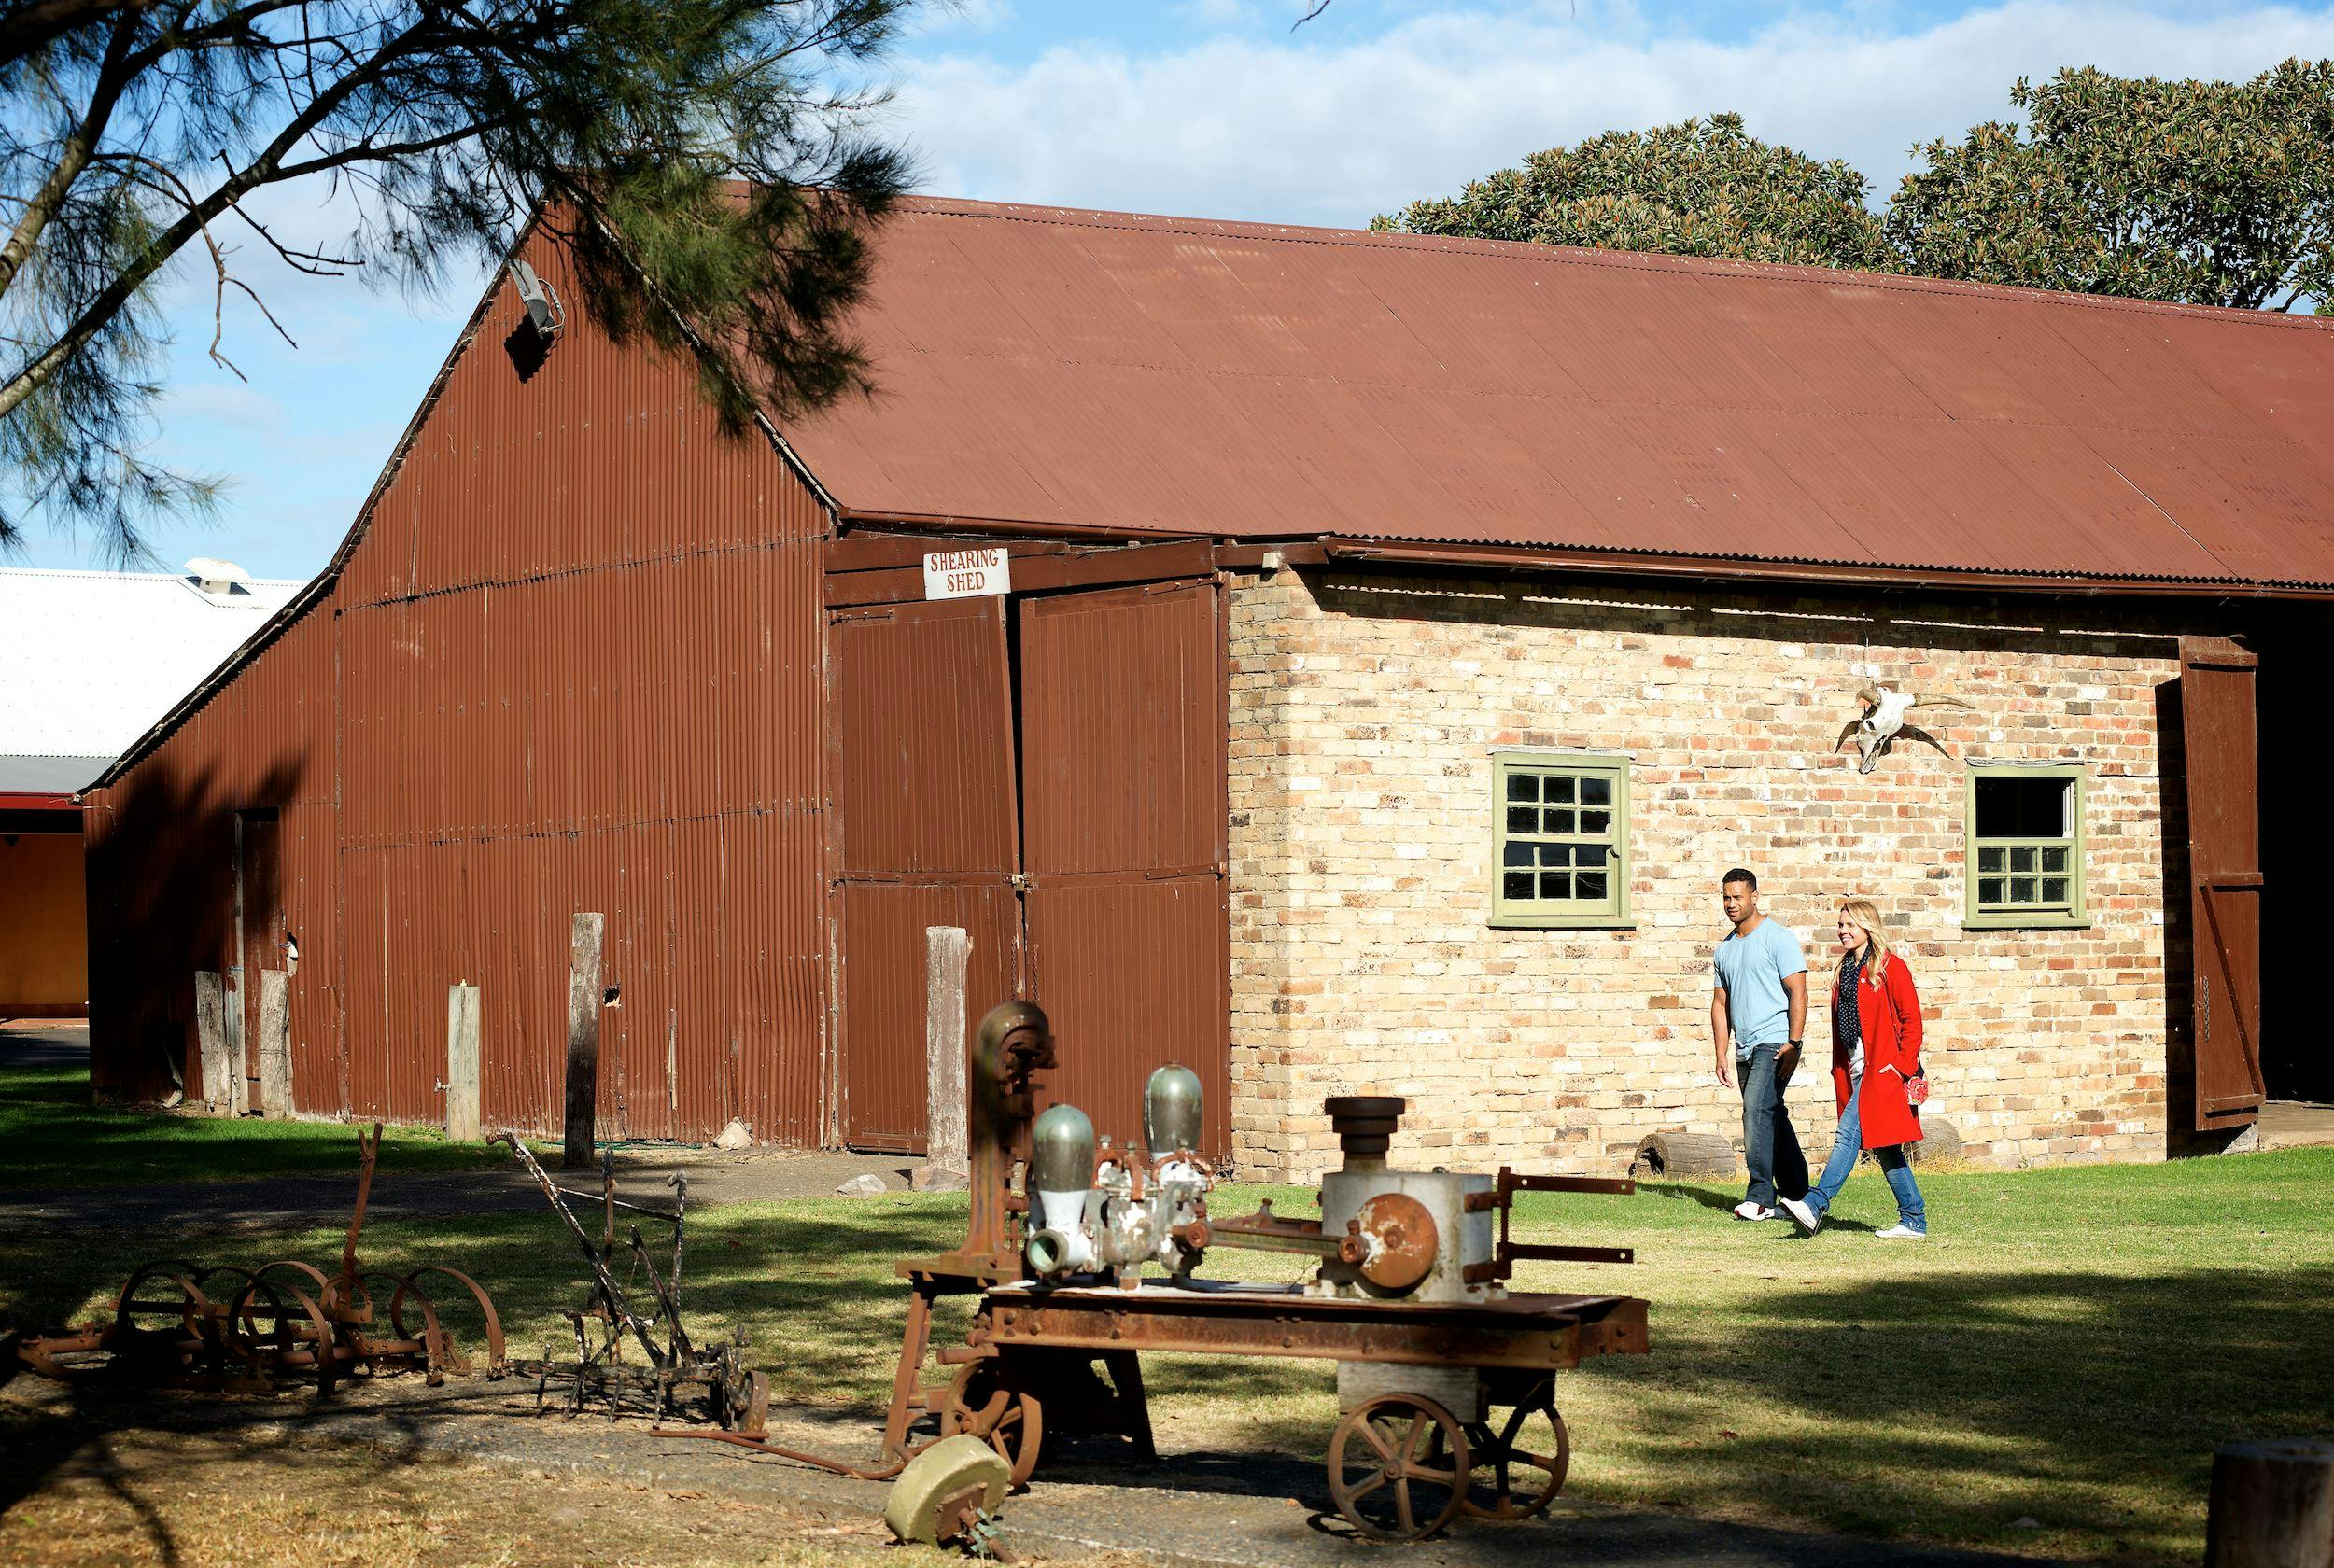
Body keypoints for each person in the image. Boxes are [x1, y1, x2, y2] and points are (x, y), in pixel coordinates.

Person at [1779, 899, 1928, 1239]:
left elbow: (1912, 1023)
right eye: (1841, 925)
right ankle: (1913, 1219)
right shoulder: (1845, 971)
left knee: (1848, 1135)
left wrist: (1899, 1067)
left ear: (1867, 928)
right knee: (1886, 1147)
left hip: (1883, 1072)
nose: (1843, 931)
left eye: (1850, 925)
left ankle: (1815, 1203)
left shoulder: (1892, 967)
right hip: (1857, 1070)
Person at [1710, 867, 1808, 1221]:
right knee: (1771, 1114)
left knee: (1756, 1110)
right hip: (1744, 1048)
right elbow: (1720, 1004)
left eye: (1737, 897)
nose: (1731, 904)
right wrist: (1721, 1051)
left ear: (1754, 896)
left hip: (1774, 1043)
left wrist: (1794, 1042)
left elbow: (1798, 991)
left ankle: (1761, 1197)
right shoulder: (1724, 950)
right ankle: (1799, 1193)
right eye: (1726, 897)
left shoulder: (1777, 938)